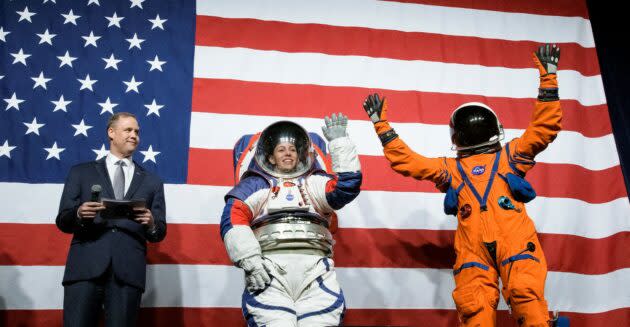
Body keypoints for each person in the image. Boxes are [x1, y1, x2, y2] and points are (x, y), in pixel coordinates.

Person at [362, 44, 561, 326]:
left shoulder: (459, 167)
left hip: (500, 243)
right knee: (490, 304)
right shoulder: (508, 157)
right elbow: (543, 128)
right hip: (485, 245)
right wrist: (548, 77)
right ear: (496, 129)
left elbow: (409, 162)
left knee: (511, 298)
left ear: (456, 136)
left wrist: (382, 126)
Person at [220, 113, 362, 326]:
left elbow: (346, 188)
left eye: (293, 149)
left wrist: (340, 142)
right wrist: (250, 260)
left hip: (315, 271)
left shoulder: (314, 182)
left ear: (301, 155)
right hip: (270, 272)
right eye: (281, 149)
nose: (288, 153)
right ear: (269, 157)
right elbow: (233, 218)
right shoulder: (257, 184)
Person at [56, 112, 167, 327]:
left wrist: (152, 223)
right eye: (128, 130)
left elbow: (159, 232)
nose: (134, 135)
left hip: (128, 272)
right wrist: (79, 214)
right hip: (85, 267)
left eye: (137, 131)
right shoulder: (81, 173)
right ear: (111, 133)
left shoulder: (153, 181)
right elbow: (62, 220)